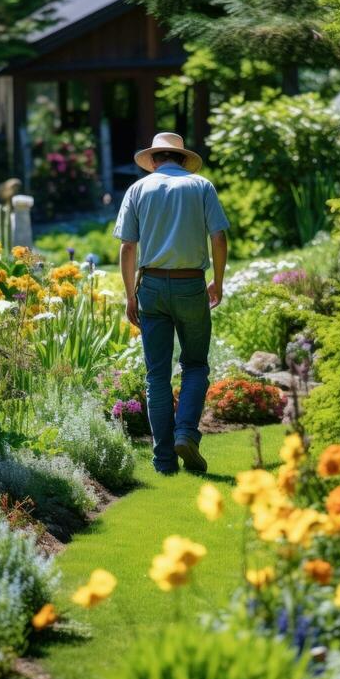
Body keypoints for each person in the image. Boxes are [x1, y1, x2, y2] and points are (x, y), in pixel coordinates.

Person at [114, 132, 229, 475]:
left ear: (154, 160)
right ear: (181, 159)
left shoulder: (138, 189)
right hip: (190, 284)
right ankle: (186, 434)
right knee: (195, 365)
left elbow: (127, 247)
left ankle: (164, 460)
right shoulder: (201, 186)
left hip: (150, 286)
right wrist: (218, 282)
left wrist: (129, 295)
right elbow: (219, 237)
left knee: (157, 376)